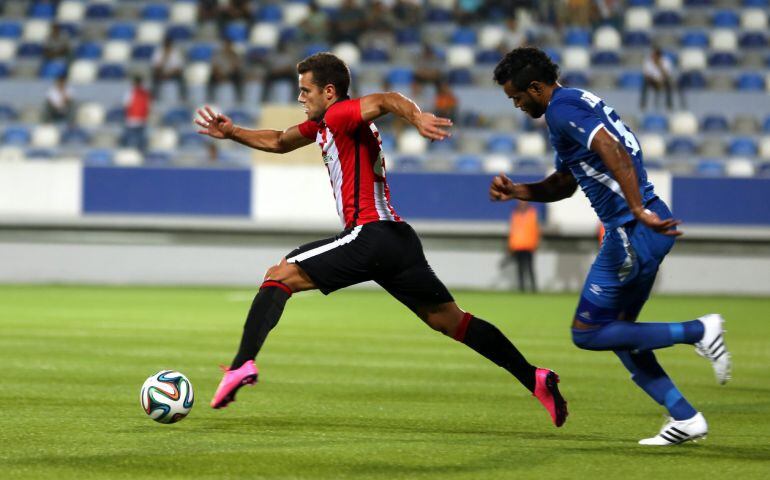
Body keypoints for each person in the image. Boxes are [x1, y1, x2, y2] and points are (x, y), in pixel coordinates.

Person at [195, 52, 567, 427]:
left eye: (305, 90)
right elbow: (278, 141)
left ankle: (241, 365)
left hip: (369, 234)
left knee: (280, 274)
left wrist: (416, 116)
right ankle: (533, 377)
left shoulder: (340, 114)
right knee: (452, 321)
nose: (300, 97)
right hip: (397, 240)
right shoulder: (324, 125)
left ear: (329, 91)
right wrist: (232, 132)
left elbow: (385, 100)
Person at [489, 47, 731, 445]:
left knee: (587, 332)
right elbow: (565, 184)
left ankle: (698, 330)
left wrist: (635, 208)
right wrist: (519, 190)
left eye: (517, 97)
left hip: (629, 231)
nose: (516, 105)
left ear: (535, 87)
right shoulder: (576, 103)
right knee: (619, 334)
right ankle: (686, 418)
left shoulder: (560, 111)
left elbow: (613, 151)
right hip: (642, 226)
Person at [505, 200, 539, 293]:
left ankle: (533, 289)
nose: (521, 203)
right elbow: (513, 231)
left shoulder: (532, 213)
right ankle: (522, 289)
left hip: (529, 245)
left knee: (530, 268)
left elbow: (535, 230)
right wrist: (511, 246)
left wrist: (535, 244)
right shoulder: (515, 214)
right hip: (518, 246)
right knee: (520, 269)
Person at [151, 37, 187, 102]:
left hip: (172, 73)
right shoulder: (159, 52)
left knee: (181, 78)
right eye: (166, 45)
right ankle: (154, 97)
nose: (167, 46)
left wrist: (169, 73)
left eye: (168, 45)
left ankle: (182, 97)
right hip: (162, 73)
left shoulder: (176, 53)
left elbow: (178, 68)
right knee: (154, 77)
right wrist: (164, 57)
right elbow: (156, 67)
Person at [121, 76, 151, 153]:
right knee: (140, 140)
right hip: (141, 119)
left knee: (129, 138)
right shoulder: (145, 93)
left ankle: (127, 152)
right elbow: (148, 106)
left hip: (132, 119)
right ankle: (141, 153)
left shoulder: (130, 92)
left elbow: (126, 105)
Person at [641, 47, 674, 111]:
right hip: (652, 80)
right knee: (645, 83)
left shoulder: (666, 61)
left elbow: (667, 75)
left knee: (668, 84)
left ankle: (669, 104)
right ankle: (643, 104)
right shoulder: (648, 61)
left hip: (662, 80)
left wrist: (660, 66)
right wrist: (654, 79)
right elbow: (646, 75)